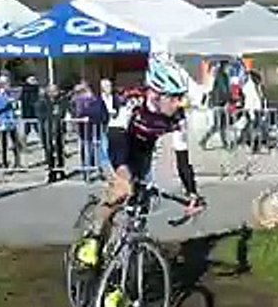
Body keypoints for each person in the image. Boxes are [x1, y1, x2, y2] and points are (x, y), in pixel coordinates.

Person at [75, 56, 205, 269]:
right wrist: (123, 173)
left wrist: (192, 193)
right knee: (122, 190)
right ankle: (93, 239)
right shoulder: (134, 101)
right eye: (173, 97)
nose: (179, 103)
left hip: (142, 153)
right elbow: (116, 137)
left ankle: (125, 259)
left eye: (181, 97)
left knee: (141, 205)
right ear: (156, 94)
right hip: (116, 145)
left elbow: (182, 159)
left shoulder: (178, 118)